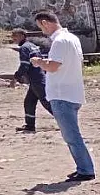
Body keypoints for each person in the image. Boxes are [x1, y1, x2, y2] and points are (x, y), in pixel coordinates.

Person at [31, 11, 95, 182]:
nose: (42, 31)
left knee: (71, 136)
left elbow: (52, 67)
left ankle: (86, 169)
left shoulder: (59, 41)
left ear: (45, 23)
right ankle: (83, 167)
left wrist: (39, 62)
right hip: (72, 91)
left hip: (62, 93)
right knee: (72, 134)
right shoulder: (72, 38)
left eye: (40, 27)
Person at [11, 28, 52, 133]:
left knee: (46, 102)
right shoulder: (32, 46)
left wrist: (16, 77)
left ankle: (65, 121)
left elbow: (25, 65)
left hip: (37, 79)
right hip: (38, 77)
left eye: (15, 36)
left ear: (22, 35)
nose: (13, 38)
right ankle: (30, 126)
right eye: (12, 36)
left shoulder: (24, 48)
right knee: (29, 102)